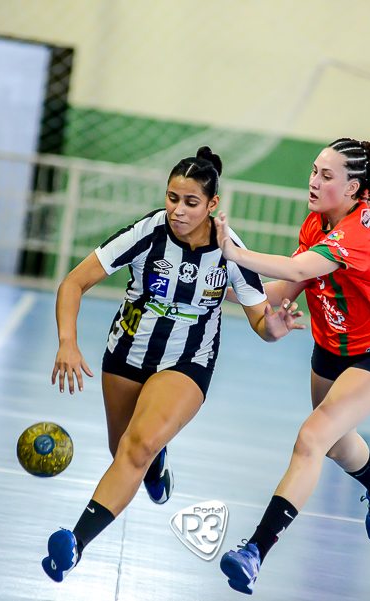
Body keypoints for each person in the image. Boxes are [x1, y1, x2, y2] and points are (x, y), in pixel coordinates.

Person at [42, 147, 305, 582]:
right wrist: (67, 342)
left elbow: (262, 321)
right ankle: (157, 464)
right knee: (123, 451)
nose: (178, 210)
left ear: (212, 205)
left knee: (138, 446)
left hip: (188, 360)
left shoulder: (230, 250)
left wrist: (274, 328)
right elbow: (74, 282)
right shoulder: (147, 232)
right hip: (127, 354)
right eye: (172, 198)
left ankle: (75, 543)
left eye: (190, 202)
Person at [215, 138, 370, 595]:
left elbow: (297, 270)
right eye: (313, 171)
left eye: (326, 176)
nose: (314, 181)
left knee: (311, 438)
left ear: (352, 188)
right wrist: (217, 288)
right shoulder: (316, 222)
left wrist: (236, 255)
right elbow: (281, 294)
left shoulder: (359, 233)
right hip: (331, 347)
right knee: (335, 443)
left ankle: (254, 552)